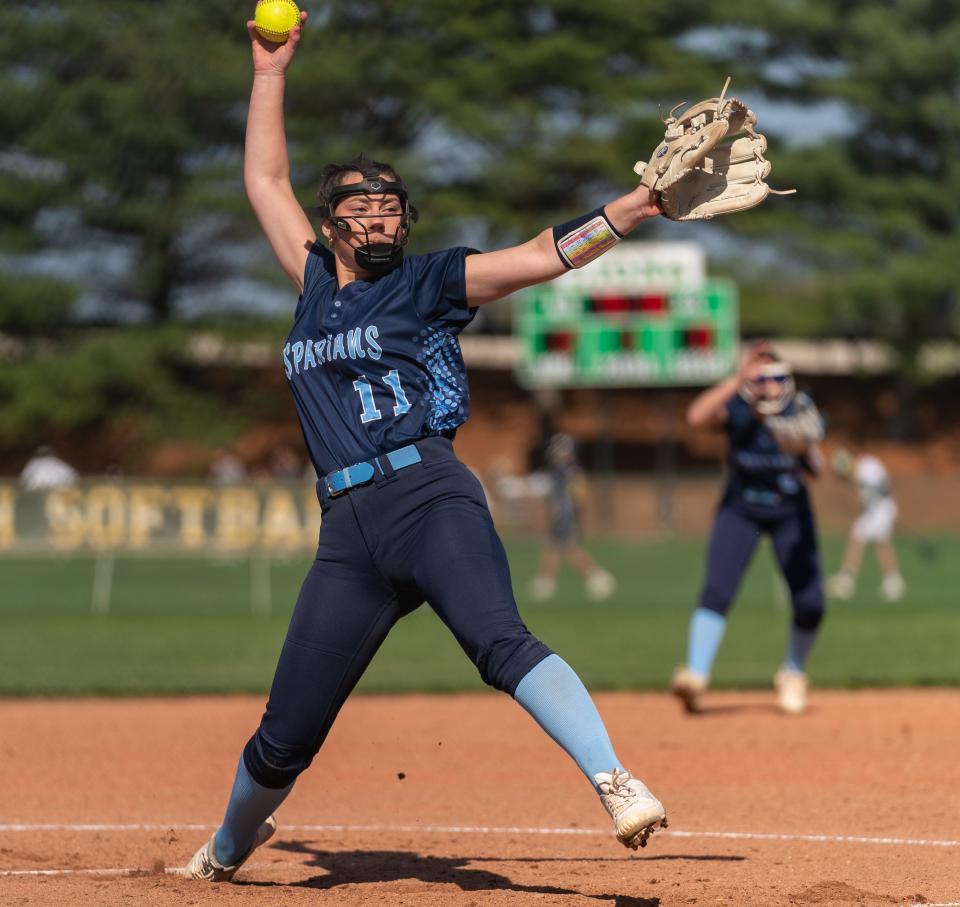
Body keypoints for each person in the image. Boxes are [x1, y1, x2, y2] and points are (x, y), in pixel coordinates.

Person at [183, 9, 669, 882]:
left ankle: (615, 780)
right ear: (329, 225)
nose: (380, 219)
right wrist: (269, 73)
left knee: (497, 639)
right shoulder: (309, 287)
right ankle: (224, 850)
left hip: (429, 492)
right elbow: (263, 176)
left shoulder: (427, 281)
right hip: (348, 533)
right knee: (287, 730)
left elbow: (541, 256)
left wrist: (635, 208)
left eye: (391, 206)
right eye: (361, 208)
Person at [671, 343, 827, 716]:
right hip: (741, 508)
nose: (769, 386)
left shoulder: (800, 407)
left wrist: (804, 448)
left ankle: (793, 672)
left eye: (776, 377)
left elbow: (816, 467)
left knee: (811, 601)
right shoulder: (738, 408)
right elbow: (696, 417)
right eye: (761, 379)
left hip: (790, 508)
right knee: (718, 589)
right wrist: (738, 379)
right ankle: (696, 674)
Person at [529, 433, 616, 602]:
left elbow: (576, 495)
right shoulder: (563, 470)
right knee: (552, 545)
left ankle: (597, 576)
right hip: (563, 514)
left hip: (564, 515)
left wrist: (568, 514)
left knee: (567, 547)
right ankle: (546, 581)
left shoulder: (568, 471)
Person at [827, 448, 904, 602]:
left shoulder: (869, 465)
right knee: (860, 536)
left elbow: (886, 484)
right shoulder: (856, 477)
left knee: (880, 542)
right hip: (873, 511)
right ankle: (849, 578)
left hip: (883, 509)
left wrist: (876, 493)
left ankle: (892, 582)